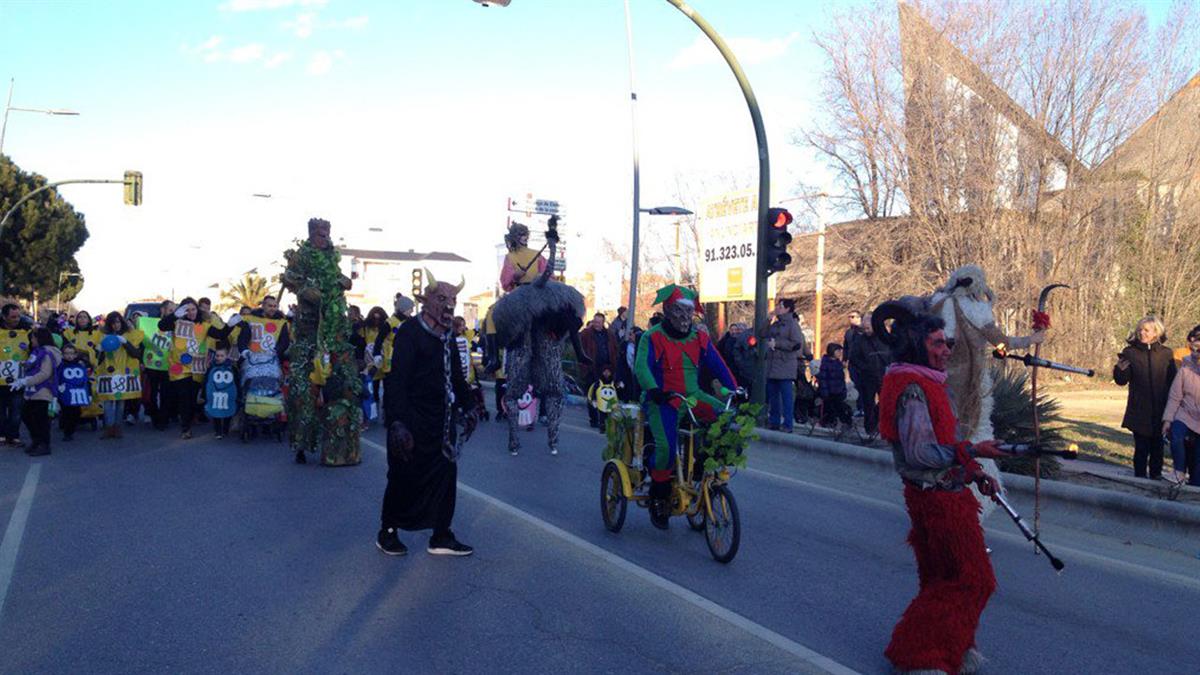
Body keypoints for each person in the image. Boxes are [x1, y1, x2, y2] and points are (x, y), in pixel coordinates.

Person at [872, 299, 1008, 675]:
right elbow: (920, 453)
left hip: (939, 494)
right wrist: (973, 450)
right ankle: (920, 654)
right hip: (938, 501)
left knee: (942, 579)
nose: (947, 349)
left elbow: (945, 443)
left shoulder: (924, 382)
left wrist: (975, 470)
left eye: (947, 343)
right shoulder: (913, 389)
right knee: (974, 579)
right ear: (918, 346)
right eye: (937, 344)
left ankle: (952, 649)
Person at [378, 272, 478, 558]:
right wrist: (397, 421)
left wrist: (470, 405)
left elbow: (457, 377)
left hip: (441, 420)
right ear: (426, 302)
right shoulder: (410, 331)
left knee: (446, 475)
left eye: (453, 301)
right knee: (403, 475)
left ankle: (441, 535)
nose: (449, 306)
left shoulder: (449, 336)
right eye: (442, 299)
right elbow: (397, 379)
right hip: (411, 419)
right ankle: (388, 532)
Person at [634, 284, 738, 530]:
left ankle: (702, 473)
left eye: (687, 312)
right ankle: (658, 497)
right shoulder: (653, 336)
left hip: (692, 396)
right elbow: (641, 367)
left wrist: (734, 388)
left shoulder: (699, 337)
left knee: (725, 419)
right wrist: (654, 390)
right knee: (667, 449)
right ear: (668, 310)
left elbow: (718, 365)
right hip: (664, 400)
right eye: (678, 311)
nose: (683, 317)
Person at [281, 218, 361, 466]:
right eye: (318, 232)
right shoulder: (302, 255)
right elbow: (288, 276)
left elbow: (338, 278)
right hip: (308, 333)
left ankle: (341, 448)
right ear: (311, 234)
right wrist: (304, 289)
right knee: (302, 392)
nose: (323, 236)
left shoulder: (330, 257)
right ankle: (302, 443)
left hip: (335, 332)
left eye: (326, 232)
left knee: (347, 385)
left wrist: (345, 281)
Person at [1114, 316, 1177, 479]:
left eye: (1146, 330)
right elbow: (1121, 381)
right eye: (1140, 330)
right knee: (1141, 447)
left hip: (1161, 408)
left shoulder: (1166, 353)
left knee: (1157, 447)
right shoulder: (1130, 352)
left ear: (1156, 332)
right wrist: (1119, 370)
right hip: (1139, 407)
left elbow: (1173, 381)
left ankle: (1156, 478)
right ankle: (1139, 478)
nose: (1142, 333)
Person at [95, 312, 145, 439]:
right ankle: (109, 427)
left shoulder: (128, 335)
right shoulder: (102, 336)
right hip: (107, 372)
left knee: (120, 401)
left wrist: (125, 342)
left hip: (123, 372)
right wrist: (99, 349)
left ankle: (117, 428)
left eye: (117, 322)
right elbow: (98, 359)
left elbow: (136, 354)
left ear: (121, 322)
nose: (115, 325)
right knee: (107, 401)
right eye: (113, 323)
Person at [14, 327, 61, 456]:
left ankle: (44, 445)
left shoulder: (47, 353)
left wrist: (25, 382)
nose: (31, 340)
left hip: (43, 390)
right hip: (32, 391)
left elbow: (45, 373)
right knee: (27, 415)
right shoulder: (37, 352)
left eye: (33, 338)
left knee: (41, 420)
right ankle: (36, 440)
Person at [1162, 324, 1200, 485]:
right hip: (1185, 413)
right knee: (1176, 434)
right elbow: (1175, 397)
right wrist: (1167, 420)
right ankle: (1179, 471)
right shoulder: (1185, 369)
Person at [849, 311, 892, 436]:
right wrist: (864, 367)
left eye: (869, 327)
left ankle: (879, 423)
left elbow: (891, 353)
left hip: (883, 374)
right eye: (865, 327)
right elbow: (854, 357)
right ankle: (870, 428)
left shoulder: (884, 338)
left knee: (885, 401)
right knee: (868, 403)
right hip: (867, 376)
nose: (867, 329)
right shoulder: (860, 340)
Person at [765, 298, 804, 432]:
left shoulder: (792, 325)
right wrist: (768, 320)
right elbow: (762, 334)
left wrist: (778, 344)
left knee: (786, 397)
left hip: (785, 364)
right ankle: (774, 421)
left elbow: (796, 344)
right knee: (773, 396)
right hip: (772, 365)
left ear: (787, 308)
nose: (777, 308)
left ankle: (788, 423)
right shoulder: (775, 324)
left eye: (780, 306)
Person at [578, 313, 620, 429]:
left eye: (599, 322)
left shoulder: (609, 335)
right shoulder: (586, 334)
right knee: (592, 394)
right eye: (595, 321)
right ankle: (594, 419)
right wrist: (583, 364)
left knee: (607, 394)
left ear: (603, 322)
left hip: (607, 369)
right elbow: (579, 348)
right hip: (591, 368)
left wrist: (611, 367)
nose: (596, 324)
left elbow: (615, 349)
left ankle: (604, 420)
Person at [0, 304, 32, 446]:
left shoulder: (28, 331)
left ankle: (14, 436)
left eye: (18, 316)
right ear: (4, 317)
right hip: (0, 380)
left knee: (16, 410)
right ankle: (1, 435)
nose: (16, 319)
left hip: (19, 379)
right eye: (13, 317)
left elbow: (37, 348)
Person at [56, 343, 91, 442]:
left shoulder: (80, 365)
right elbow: (56, 377)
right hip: (65, 392)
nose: (69, 356)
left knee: (76, 412)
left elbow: (85, 379)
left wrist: (89, 393)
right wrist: (58, 387)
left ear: (75, 354)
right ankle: (67, 432)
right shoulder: (61, 365)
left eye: (71, 353)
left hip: (77, 393)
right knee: (67, 411)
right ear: (63, 354)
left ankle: (70, 428)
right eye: (66, 353)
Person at [499, 222, 547, 292]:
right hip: (519, 295)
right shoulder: (510, 257)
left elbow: (549, 277)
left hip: (535, 294)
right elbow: (505, 284)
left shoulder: (537, 255)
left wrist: (541, 278)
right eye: (521, 234)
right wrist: (515, 276)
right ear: (514, 237)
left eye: (526, 234)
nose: (525, 237)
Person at [205, 344, 238, 439]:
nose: (219, 358)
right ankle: (218, 431)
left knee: (228, 409)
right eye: (217, 355)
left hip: (228, 394)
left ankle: (225, 429)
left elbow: (236, 381)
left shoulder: (232, 368)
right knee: (216, 411)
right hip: (215, 394)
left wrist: (237, 394)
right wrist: (204, 394)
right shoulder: (211, 367)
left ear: (227, 356)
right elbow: (207, 381)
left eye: (221, 356)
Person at [817, 343, 852, 430]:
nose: (840, 353)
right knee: (829, 408)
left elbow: (842, 378)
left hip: (838, 390)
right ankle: (828, 422)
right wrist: (824, 390)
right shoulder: (826, 363)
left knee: (840, 407)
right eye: (838, 351)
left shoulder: (838, 363)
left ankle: (845, 422)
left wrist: (843, 390)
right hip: (829, 391)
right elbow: (823, 378)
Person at [587, 365, 621, 433]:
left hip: (611, 401)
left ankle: (610, 427)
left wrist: (620, 386)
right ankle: (602, 426)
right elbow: (595, 390)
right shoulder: (599, 382)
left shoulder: (613, 381)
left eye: (608, 372)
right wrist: (594, 399)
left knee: (610, 414)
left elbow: (617, 389)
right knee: (602, 414)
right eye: (605, 372)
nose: (606, 373)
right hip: (601, 401)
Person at [843, 310, 865, 414]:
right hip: (852, 362)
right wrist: (844, 358)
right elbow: (846, 346)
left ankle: (866, 408)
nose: (850, 319)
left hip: (864, 362)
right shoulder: (849, 332)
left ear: (859, 318)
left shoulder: (864, 331)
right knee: (856, 385)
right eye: (849, 317)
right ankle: (860, 407)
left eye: (853, 317)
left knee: (864, 385)